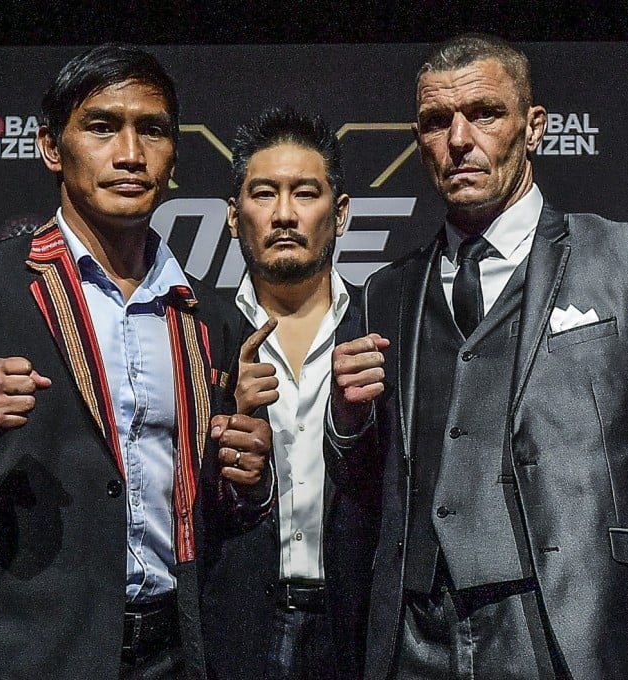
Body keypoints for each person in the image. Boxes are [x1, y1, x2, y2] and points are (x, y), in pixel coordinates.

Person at [326, 33, 628, 680]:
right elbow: (364, 484)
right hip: (419, 636)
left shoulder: (622, 260)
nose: (459, 140)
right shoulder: (386, 293)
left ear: (534, 127)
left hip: (577, 620)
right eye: (436, 122)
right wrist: (346, 421)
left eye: (485, 113)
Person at [0, 44, 273, 680]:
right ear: (52, 147)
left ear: (173, 155)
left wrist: (246, 479)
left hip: (177, 655)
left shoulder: (209, 318)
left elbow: (210, 512)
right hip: (22, 657)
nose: (131, 154)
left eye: (153, 130)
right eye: (103, 127)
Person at [199, 106, 372, 680]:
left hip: (362, 627)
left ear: (341, 213)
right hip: (235, 624)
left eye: (306, 193)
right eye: (264, 194)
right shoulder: (197, 334)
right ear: (232, 216)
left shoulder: (384, 324)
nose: (284, 215)